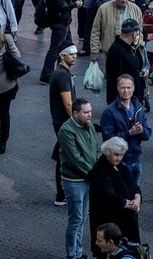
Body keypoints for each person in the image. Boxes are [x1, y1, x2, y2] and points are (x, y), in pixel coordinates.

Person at [59, 98, 101, 259]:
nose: (90, 115)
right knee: (76, 219)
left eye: (90, 111)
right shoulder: (66, 131)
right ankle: (72, 254)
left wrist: (97, 168)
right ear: (75, 113)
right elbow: (75, 159)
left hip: (88, 179)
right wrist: (95, 174)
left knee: (82, 218)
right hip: (74, 182)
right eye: (86, 112)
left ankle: (77, 252)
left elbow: (96, 149)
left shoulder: (89, 126)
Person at [87, 137, 141, 255]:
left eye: (122, 155)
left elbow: (133, 185)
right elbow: (109, 196)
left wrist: (137, 198)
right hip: (108, 220)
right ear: (108, 152)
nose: (119, 158)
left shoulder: (121, 167)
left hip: (125, 219)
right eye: (116, 154)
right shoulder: (100, 170)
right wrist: (130, 204)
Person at [49, 45, 80, 204]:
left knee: (61, 156)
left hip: (61, 122)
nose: (74, 57)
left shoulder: (63, 73)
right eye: (71, 54)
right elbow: (68, 104)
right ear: (62, 56)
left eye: (75, 54)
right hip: (64, 123)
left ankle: (61, 195)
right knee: (65, 158)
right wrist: (77, 122)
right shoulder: (62, 75)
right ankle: (61, 195)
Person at [0, 21, 22, 154]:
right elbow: (17, 56)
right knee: (4, 114)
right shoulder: (6, 39)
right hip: (7, 86)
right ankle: (3, 144)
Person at [39, 0, 77, 80]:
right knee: (56, 49)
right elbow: (61, 5)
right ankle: (46, 76)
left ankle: (62, 72)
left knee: (67, 46)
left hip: (62, 20)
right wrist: (75, 4)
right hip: (60, 20)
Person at [104, 18, 148, 107]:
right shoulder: (118, 50)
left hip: (129, 99)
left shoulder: (126, 48)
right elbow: (117, 77)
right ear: (134, 34)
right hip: (123, 101)